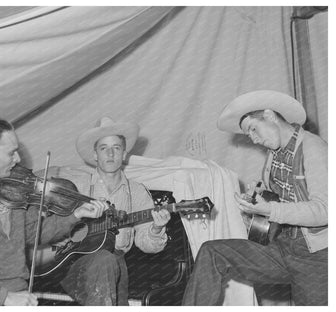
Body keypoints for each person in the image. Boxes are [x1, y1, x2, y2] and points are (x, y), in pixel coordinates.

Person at [0, 115, 108, 306]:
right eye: (11, 153)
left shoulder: (14, 191)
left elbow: (35, 233)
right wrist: (3, 297)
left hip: (20, 295)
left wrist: (76, 215)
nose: (17, 159)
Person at [182, 90, 327, 306]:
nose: (254, 139)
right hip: (283, 248)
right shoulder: (274, 155)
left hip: (317, 257)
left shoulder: (314, 147)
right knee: (212, 252)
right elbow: (276, 204)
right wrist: (257, 199)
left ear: (269, 115)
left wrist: (270, 210)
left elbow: (325, 210)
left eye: (253, 129)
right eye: (249, 136)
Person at [51, 116, 171, 305]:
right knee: (104, 260)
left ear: (124, 154)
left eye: (116, 148)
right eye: (103, 148)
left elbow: (146, 246)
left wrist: (156, 228)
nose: (110, 154)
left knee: (108, 259)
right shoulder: (78, 187)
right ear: (95, 155)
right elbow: (51, 227)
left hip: (116, 266)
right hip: (73, 265)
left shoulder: (137, 192)